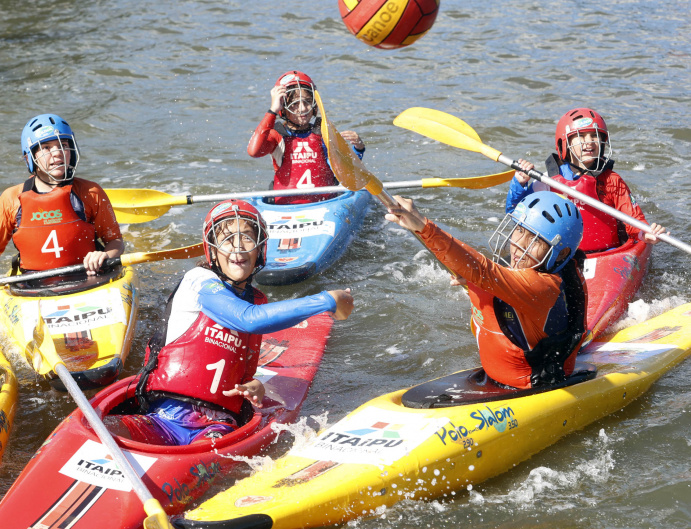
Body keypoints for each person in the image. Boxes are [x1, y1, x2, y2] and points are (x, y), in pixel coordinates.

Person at [105, 200, 354, 445]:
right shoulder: (198, 280)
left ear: (260, 249)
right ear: (212, 251)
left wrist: (254, 388)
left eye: (246, 237)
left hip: (216, 427)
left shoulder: (256, 301)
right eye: (226, 239)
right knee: (106, 430)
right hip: (161, 417)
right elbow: (247, 319)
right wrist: (326, 300)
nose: (238, 247)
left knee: (213, 451)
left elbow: (246, 375)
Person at [385, 191, 587, 390]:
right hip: (499, 379)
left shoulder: (544, 286)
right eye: (520, 230)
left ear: (561, 254)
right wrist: (473, 282)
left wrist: (422, 225)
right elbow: (487, 275)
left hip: (533, 385)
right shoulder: (525, 274)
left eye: (536, 240)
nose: (519, 244)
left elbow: (483, 270)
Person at [0, 114, 124, 279]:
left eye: (63, 144)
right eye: (46, 147)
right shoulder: (11, 198)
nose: (58, 153)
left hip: (88, 277)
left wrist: (105, 255)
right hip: (33, 284)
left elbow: (115, 241)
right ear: (29, 157)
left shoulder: (90, 192)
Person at [506, 108, 665, 251]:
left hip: (608, 253)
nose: (589, 141)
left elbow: (634, 220)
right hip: (562, 256)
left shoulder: (611, 180)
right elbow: (515, 214)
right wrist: (519, 183)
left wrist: (644, 234)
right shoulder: (548, 181)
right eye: (580, 136)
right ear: (565, 144)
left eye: (594, 136)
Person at [247, 71, 366, 205]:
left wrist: (358, 148)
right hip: (284, 207)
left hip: (327, 203)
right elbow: (254, 151)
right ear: (283, 108)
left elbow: (347, 169)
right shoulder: (277, 133)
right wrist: (272, 110)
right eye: (294, 104)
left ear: (315, 105)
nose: (302, 109)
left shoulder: (322, 130)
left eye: (307, 102)